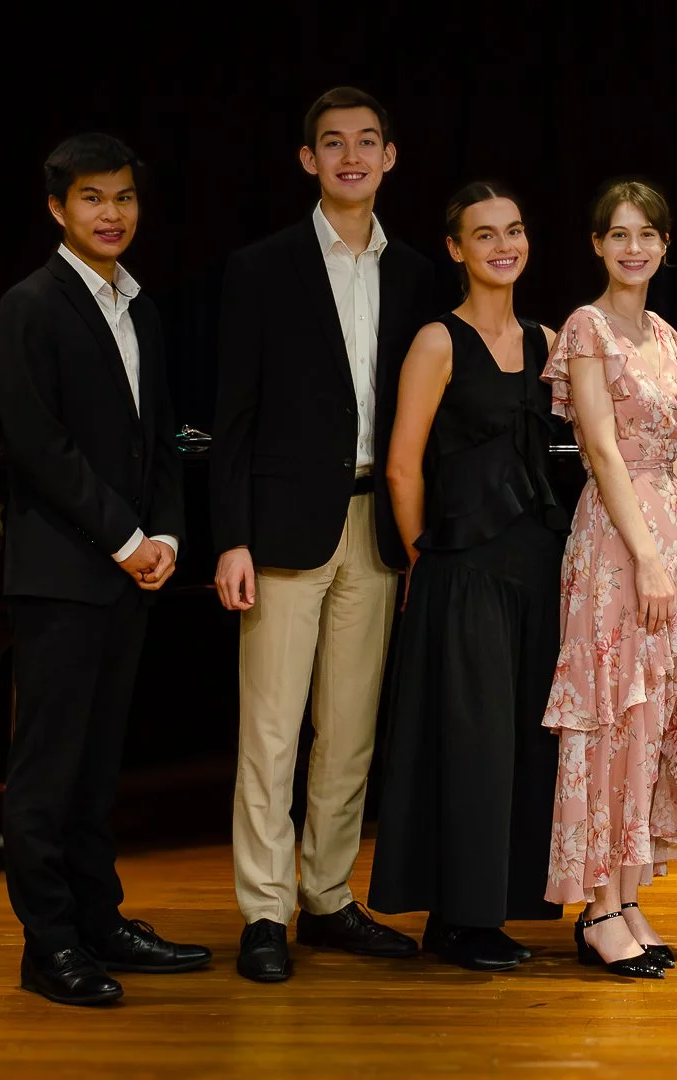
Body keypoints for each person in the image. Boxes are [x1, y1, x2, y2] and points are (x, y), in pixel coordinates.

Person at [211, 86, 439, 983]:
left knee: (348, 733)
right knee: (270, 731)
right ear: (309, 160)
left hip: (375, 523)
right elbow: (233, 416)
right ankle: (264, 911)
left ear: (390, 157)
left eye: (367, 142)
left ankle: (328, 896)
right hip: (280, 528)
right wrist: (230, 536)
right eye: (333, 143)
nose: (352, 157)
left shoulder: (416, 272)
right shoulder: (260, 267)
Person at [0, 133, 209, 1005]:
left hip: (129, 570)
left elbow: (162, 438)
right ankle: (48, 945)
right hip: (61, 574)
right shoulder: (29, 306)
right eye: (91, 198)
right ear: (57, 208)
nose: (110, 213)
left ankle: (99, 920)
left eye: (123, 197)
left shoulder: (142, 308)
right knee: (46, 773)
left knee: (97, 768)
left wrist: (169, 538)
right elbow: (40, 446)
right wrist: (127, 539)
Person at [365, 182, 567, 972]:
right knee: (472, 743)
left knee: (523, 741)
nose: (503, 246)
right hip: (465, 567)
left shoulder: (549, 339)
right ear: (456, 250)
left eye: (513, 230)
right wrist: (428, 559)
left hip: (537, 565)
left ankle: (500, 908)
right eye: (485, 235)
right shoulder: (437, 342)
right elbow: (402, 466)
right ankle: (458, 919)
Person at [539, 180, 677, 980]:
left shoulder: (667, 336)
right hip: (617, 541)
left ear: (665, 244)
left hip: (671, 532)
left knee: (655, 716)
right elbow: (603, 450)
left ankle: (629, 893)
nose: (633, 247)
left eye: (647, 234)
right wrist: (645, 554)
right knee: (614, 715)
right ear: (597, 245)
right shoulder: (587, 327)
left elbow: (669, 452)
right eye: (618, 234)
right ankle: (598, 908)